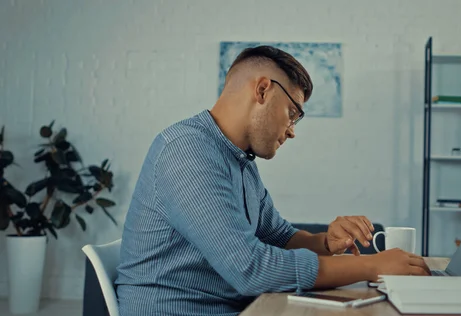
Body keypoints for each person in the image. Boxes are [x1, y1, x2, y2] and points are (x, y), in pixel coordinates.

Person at [115, 45, 431, 316]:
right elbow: (249, 269)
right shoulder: (186, 151)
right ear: (263, 90)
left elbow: (278, 237)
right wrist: (373, 267)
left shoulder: (240, 161)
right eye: (293, 113)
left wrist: (326, 242)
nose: (293, 130)